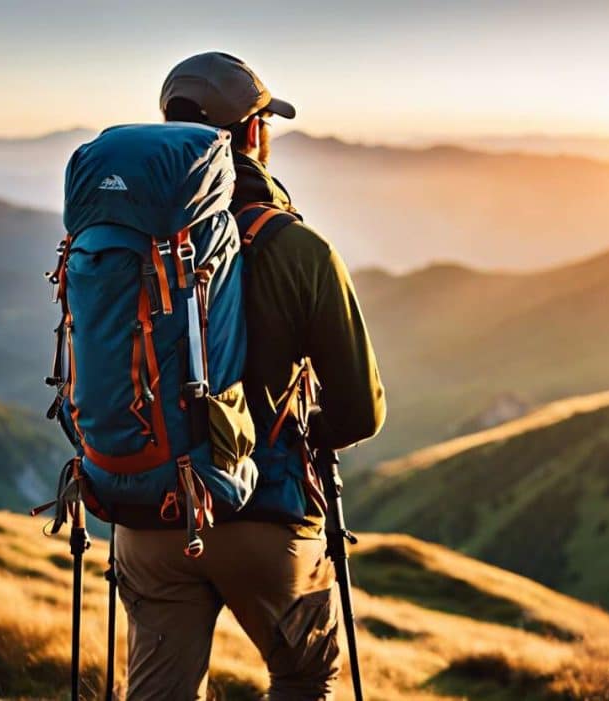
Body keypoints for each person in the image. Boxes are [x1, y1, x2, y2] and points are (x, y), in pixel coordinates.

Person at [115, 52, 386, 701]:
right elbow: (361, 411)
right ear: (253, 132)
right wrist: (300, 431)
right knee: (303, 676)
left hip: (148, 512)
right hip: (262, 514)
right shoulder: (300, 249)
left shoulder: (128, 240)